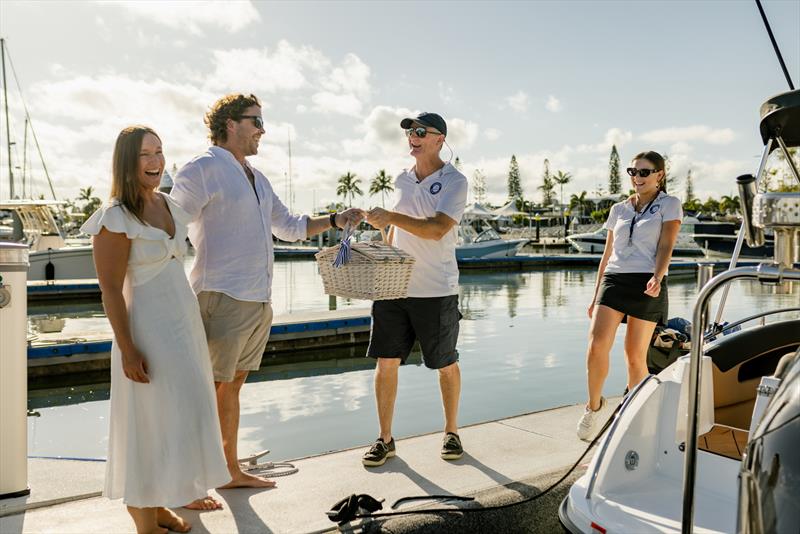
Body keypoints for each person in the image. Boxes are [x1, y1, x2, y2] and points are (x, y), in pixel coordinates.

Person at [171, 94, 364, 488]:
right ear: (230, 124)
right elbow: (173, 225)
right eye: (256, 121)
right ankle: (190, 474)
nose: (263, 130)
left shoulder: (258, 178)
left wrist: (333, 218)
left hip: (258, 299)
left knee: (233, 386)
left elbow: (289, 226)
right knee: (209, 389)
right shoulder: (203, 169)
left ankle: (226, 469)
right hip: (221, 294)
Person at [83, 126, 230, 534]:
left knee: (180, 418)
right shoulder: (114, 217)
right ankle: (145, 522)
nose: (156, 162)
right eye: (146, 154)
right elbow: (110, 289)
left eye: (160, 152)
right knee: (147, 428)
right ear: (127, 161)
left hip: (183, 327)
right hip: (145, 331)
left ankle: (161, 506)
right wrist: (128, 349)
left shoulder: (168, 205)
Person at [362, 112, 468, 466]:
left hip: (436, 288)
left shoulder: (455, 181)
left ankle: (451, 432)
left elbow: (438, 229)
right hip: (394, 289)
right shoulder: (401, 180)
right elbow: (395, 235)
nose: (413, 135)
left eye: (421, 131)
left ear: (440, 139)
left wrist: (391, 217)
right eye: (409, 130)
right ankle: (385, 439)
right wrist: (384, 235)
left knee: (444, 363)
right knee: (386, 361)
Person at [577, 150, 682, 440]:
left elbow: (666, 246)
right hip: (614, 279)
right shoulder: (619, 209)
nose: (637, 177)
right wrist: (596, 292)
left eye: (644, 172)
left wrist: (657, 277)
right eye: (633, 172)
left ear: (660, 175)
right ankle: (593, 407)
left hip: (647, 280)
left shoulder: (669, 205)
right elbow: (607, 254)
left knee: (634, 356)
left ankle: (634, 416)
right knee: (597, 345)